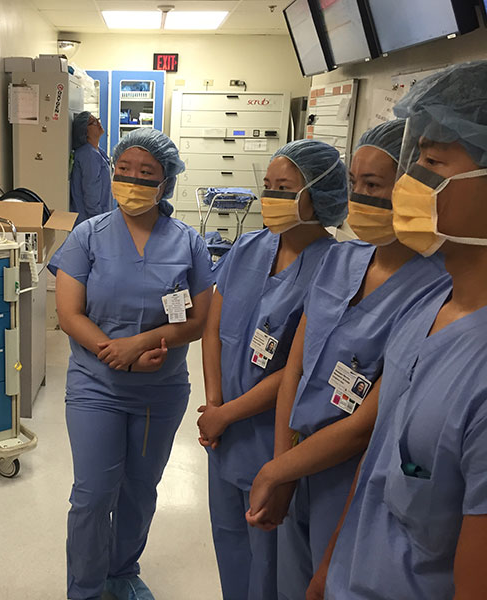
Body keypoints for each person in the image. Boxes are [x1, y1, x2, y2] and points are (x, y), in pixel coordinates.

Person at [243, 120, 448, 599]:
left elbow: (366, 424)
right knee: (291, 585)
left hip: (355, 477)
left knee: (330, 585)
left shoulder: (437, 287)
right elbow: (295, 367)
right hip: (298, 456)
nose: (358, 199)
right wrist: (285, 463)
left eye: (373, 185)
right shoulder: (341, 259)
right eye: (354, 184)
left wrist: (279, 471)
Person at [307, 60, 487, 600]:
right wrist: (329, 569)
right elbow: (378, 463)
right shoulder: (430, 306)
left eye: (431, 162)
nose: (408, 184)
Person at [50, 128, 214, 600]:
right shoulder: (88, 236)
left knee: (140, 490)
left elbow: (199, 320)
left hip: (159, 391)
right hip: (95, 386)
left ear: (166, 182)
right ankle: (84, 588)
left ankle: (122, 572)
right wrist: (116, 355)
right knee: (92, 495)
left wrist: (141, 344)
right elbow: (69, 314)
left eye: (147, 173)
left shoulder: (188, 243)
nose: (132, 180)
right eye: (124, 170)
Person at [197, 139, 347, 599]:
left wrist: (229, 413)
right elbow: (213, 328)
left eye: (285, 188)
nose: (271, 198)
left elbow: (301, 366)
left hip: (274, 436)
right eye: (268, 186)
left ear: (318, 196)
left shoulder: (337, 268)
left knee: (270, 562)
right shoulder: (247, 248)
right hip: (224, 434)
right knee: (230, 545)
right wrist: (215, 405)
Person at [70, 111, 112, 225]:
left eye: (97, 119)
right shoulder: (88, 155)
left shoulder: (97, 152)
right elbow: (91, 194)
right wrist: (99, 222)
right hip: (91, 221)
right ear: (85, 131)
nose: (98, 123)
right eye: (94, 122)